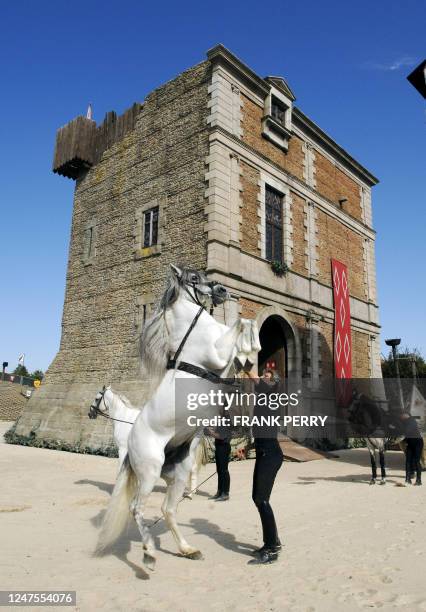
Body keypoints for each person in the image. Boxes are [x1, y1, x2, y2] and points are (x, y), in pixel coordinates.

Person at [246, 368, 284, 564]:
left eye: (266, 377)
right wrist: (249, 446)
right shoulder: (264, 399)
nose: (261, 378)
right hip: (264, 451)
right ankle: (273, 541)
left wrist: (239, 357)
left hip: (271, 455)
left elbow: (252, 376)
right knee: (257, 497)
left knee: (262, 499)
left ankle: (271, 549)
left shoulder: (271, 394)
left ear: (273, 383)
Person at [399, 412, 424, 486]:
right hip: (410, 443)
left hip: (417, 443)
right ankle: (407, 479)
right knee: (408, 461)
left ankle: (419, 480)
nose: (400, 417)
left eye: (401, 415)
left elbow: (407, 431)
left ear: (406, 415)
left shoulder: (412, 421)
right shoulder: (404, 422)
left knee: (417, 461)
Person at [208, 423, 231, 501]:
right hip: (219, 446)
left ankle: (225, 493)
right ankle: (220, 491)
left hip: (224, 446)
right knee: (219, 471)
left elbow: (221, 436)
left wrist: (211, 433)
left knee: (224, 471)